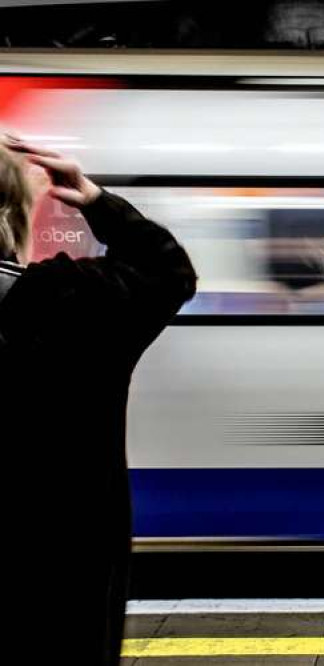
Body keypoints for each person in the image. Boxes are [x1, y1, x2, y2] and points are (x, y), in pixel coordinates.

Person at [0, 135, 196, 664]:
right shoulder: (71, 299)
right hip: (60, 584)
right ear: (15, 211)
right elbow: (169, 270)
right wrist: (93, 198)